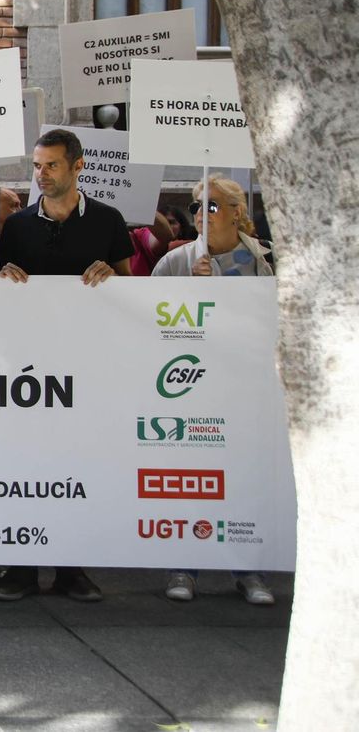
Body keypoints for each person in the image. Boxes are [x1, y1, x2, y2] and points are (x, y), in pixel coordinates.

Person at [0, 128, 134, 604]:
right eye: (36, 165)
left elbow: (130, 287)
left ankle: (71, 568)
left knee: (74, 464)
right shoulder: (17, 225)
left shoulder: (110, 221)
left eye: (51, 165)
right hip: (27, 369)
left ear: (78, 166)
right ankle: (22, 568)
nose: (41, 174)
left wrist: (114, 275)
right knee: (25, 461)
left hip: (86, 363)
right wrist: (1, 276)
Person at [149, 176, 275, 605]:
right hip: (187, 391)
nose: (203, 213)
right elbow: (147, 320)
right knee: (190, 480)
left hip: (241, 389)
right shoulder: (176, 262)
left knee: (241, 479)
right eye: (198, 206)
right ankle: (183, 567)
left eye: (213, 206)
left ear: (238, 212)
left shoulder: (260, 263)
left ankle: (249, 570)